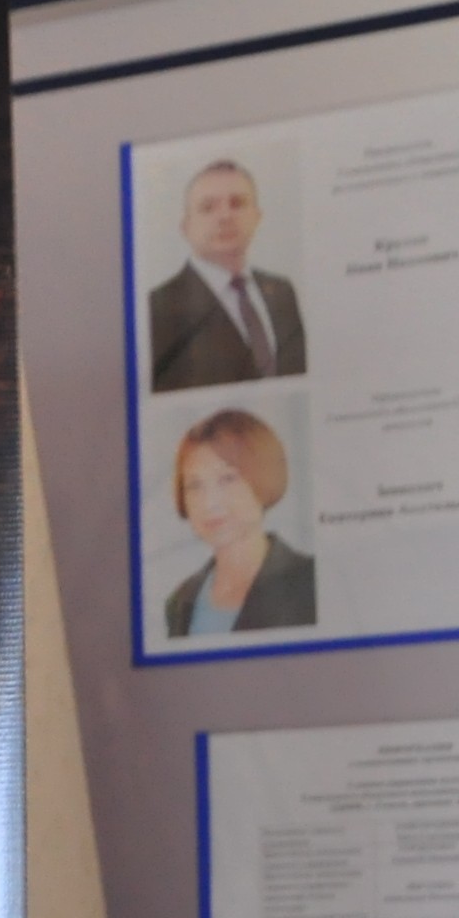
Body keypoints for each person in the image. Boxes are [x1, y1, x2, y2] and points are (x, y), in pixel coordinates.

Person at [145, 158, 305, 391]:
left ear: (257, 217)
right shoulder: (158, 307)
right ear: (186, 227)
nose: (225, 216)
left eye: (237, 203)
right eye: (208, 207)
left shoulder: (282, 291)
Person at [160, 410, 315, 639]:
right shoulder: (179, 602)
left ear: (264, 477)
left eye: (227, 479)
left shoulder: (310, 582)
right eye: (194, 485)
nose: (209, 503)